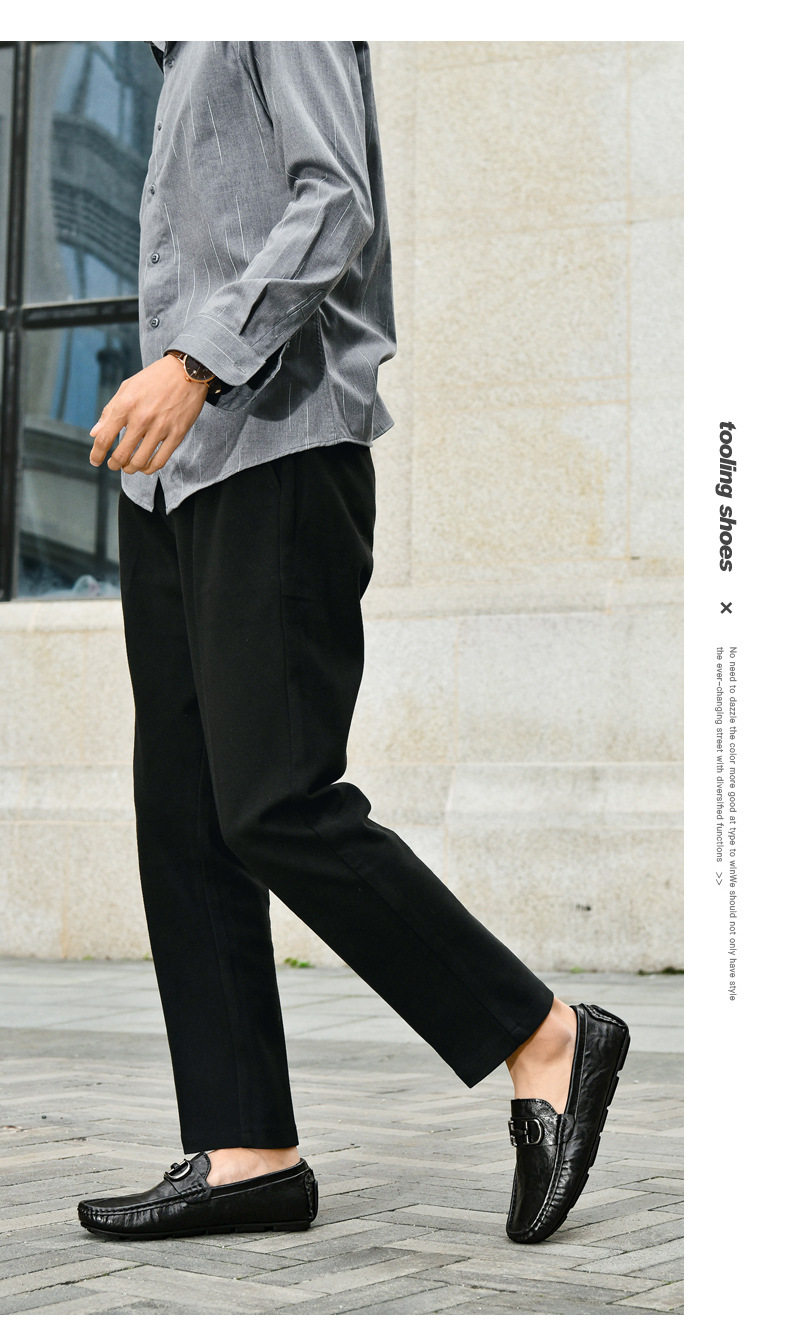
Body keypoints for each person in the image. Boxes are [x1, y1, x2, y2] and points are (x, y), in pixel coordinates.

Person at [76, 40, 629, 1246]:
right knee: (185, 817)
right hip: (171, 478)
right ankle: (247, 1151)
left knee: (276, 801)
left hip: (276, 445)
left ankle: (542, 1033)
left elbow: (335, 201)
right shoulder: (171, 52)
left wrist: (192, 364)